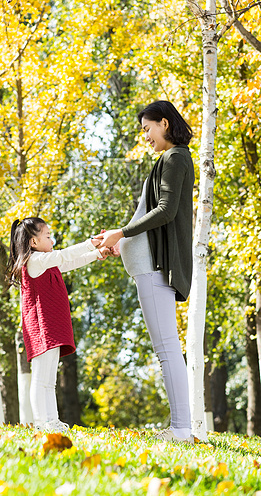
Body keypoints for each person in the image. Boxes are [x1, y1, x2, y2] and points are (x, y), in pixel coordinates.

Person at [96, 100, 195, 443]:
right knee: (167, 348)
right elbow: (151, 218)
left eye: (147, 128)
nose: (146, 136)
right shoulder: (169, 159)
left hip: (156, 268)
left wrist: (122, 234)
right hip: (150, 265)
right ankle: (180, 425)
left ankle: (182, 428)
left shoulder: (175, 157)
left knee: (167, 348)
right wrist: (118, 241)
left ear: (164, 123)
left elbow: (166, 211)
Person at [8, 218, 109, 433]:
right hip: (41, 327)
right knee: (41, 376)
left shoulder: (47, 261)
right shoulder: (35, 261)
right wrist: (92, 242)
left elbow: (70, 262)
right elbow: (64, 255)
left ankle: (52, 421)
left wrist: (98, 253)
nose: (52, 239)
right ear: (33, 242)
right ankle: (41, 422)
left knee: (49, 379)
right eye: (47, 236)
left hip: (52, 325)